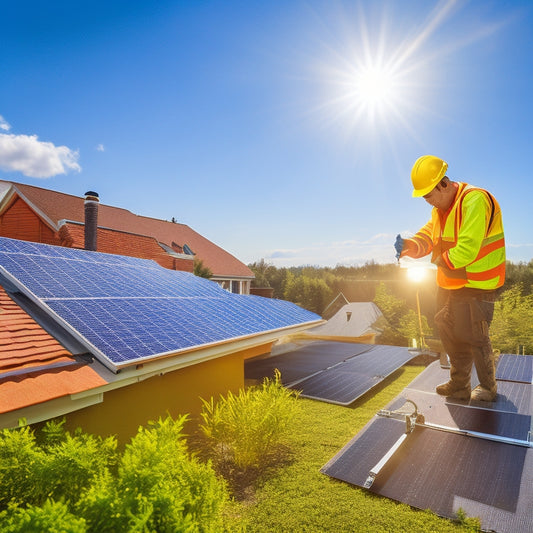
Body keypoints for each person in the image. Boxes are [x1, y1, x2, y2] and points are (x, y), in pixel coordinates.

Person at [394, 155, 506, 402]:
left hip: (478, 283)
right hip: (451, 281)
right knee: (449, 330)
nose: (428, 201)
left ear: (443, 183)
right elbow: (427, 237)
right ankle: (459, 385)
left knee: (474, 335)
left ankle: (488, 387)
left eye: (429, 195)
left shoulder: (475, 199)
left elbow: (467, 249)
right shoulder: (439, 210)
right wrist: (409, 246)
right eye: (423, 197)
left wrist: (434, 260)